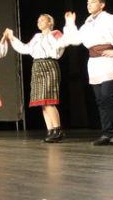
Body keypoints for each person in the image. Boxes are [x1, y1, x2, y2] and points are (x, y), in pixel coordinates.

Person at [63, 0, 113, 145]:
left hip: (107, 60)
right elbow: (75, 40)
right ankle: (107, 133)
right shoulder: (87, 23)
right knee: (100, 100)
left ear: (102, 4)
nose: (89, 5)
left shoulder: (110, 19)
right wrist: (70, 24)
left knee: (108, 97)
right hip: (94, 62)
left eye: (93, 2)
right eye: (87, 2)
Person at [4, 14, 68, 143]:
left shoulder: (56, 34)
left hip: (49, 65)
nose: (39, 22)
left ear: (50, 23)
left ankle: (58, 130)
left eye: (42, 20)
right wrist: (11, 38)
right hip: (37, 66)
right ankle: (50, 130)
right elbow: (25, 49)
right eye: (38, 20)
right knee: (42, 103)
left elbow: (60, 45)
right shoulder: (37, 36)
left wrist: (48, 36)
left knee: (49, 101)